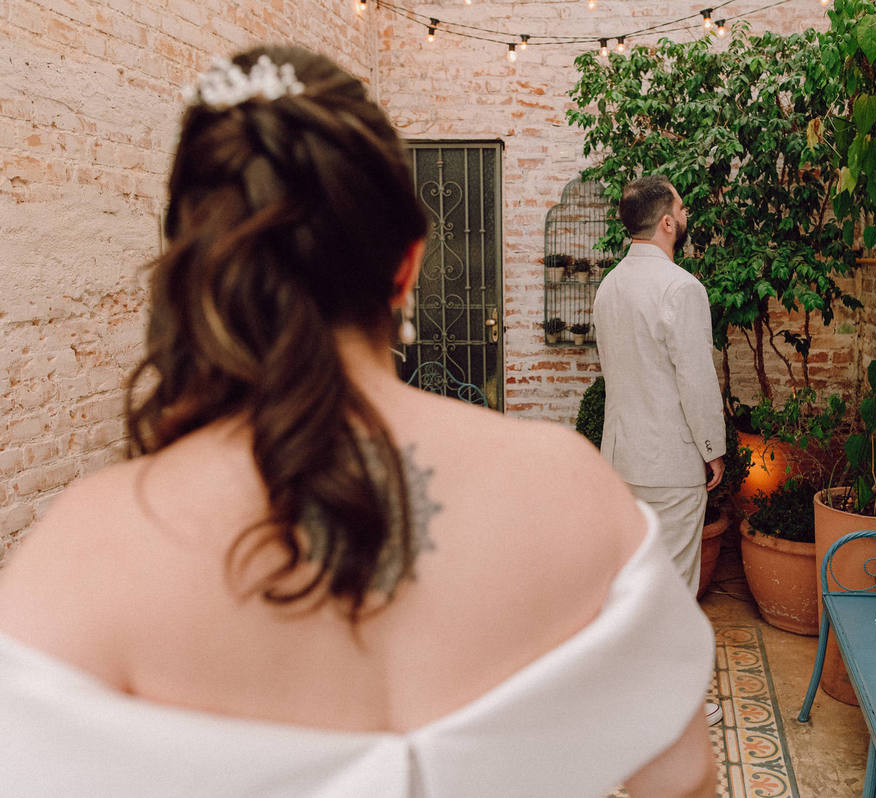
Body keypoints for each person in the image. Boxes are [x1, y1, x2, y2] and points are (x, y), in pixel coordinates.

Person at [0, 46, 717, 798]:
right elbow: (683, 779)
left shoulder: (86, 549)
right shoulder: (570, 488)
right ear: (407, 266)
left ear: (195, 264)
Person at [592, 176, 726, 727]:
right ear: (667, 222)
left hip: (621, 458)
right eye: (682, 207)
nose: (686, 214)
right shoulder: (682, 288)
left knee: (633, 584)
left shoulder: (608, 287)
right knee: (672, 588)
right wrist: (713, 448)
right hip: (669, 461)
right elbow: (696, 379)